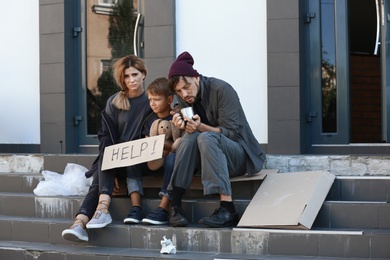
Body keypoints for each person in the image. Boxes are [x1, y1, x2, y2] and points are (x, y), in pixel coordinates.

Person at [166, 51, 266, 228]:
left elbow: (232, 133)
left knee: (205, 137)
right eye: (178, 91)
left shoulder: (221, 89)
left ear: (196, 77)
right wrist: (181, 125)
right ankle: (175, 205)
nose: (184, 93)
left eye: (186, 86)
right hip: (209, 157)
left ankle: (228, 208)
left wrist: (200, 127)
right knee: (188, 138)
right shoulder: (184, 99)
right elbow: (190, 134)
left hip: (239, 155)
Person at [62, 54, 153, 242]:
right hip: (115, 159)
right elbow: (105, 137)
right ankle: (82, 222)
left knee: (102, 170)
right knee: (104, 160)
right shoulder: (115, 101)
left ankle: (91, 215)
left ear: (143, 74)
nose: (132, 80)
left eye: (135, 74)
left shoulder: (151, 101)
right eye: (126, 77)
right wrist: (111, 166)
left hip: (140, 160)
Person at [141, 77, 178, 225]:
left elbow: (180, 143)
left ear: (169, 99)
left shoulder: (176, 117)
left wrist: (165, 146)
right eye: (150, 100)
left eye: (156, 99)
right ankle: (135, 207)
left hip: (172, 159)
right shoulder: (149, 119)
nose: (152, 103)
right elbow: (146, 141)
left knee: (172, 159)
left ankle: (163, 207)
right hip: (154, 159)